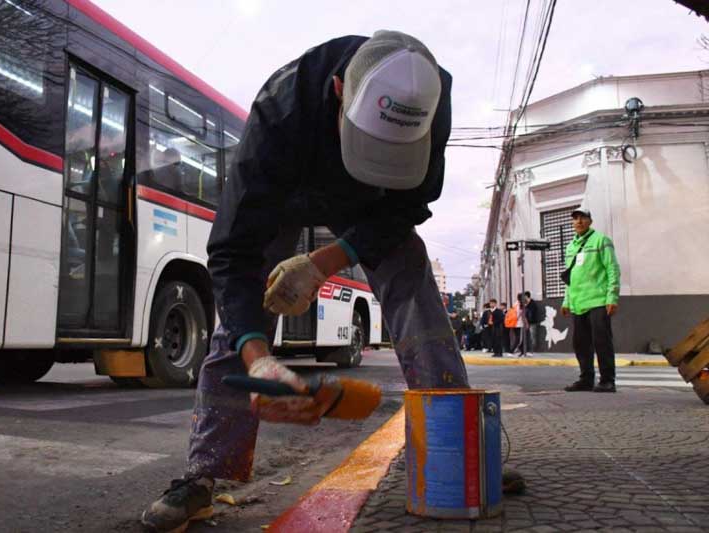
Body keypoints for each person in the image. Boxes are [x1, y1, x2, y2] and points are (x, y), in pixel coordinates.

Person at [140, 31, 523, 532]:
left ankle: (458, 447)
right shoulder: (281, 112)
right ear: (340, 89)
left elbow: (412, 204)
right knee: (240, 313)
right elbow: (234, 250)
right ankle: (204, 474)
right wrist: (259, 357)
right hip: (287, 193)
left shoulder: (432, 97)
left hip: (369, 209)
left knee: (412, 282)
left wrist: (326, 260)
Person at [562, 206, 621, 393]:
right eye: (575, 218)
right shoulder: (570, 246)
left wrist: (612, 297)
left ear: (590, 221)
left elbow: (613, 269)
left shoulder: (601, 241)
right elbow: (569, 277)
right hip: (578, 303)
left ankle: (607, 380)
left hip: (598, 300)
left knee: (602, 341)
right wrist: (566, 301)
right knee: (580, 343)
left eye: (583, 218)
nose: (578, 221)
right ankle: (586, 379)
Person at [523, 291, 542, 356]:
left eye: (524, 296)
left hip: (532, 322)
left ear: (526, 296)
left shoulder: (532, 304)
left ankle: (532, 350)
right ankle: (527, 349)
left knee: (532, 336)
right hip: (526, 322)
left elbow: (532, 313)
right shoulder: (525, 304)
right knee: (526, 336)